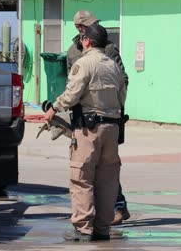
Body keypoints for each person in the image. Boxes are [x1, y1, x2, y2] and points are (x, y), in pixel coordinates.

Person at [44, 24, 127, 242]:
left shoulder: (83, 64)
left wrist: (54, 107)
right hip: (112, 128)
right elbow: (122, 97)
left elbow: (71, 95)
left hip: (89, 129)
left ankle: (83, 228)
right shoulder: (114, 66)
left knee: (82, 178)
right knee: (108, 180)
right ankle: (102, 229)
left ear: (87, 41)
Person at [67, 10, 130, 226]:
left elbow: (123, 80)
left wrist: (113, 108)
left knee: (103, 171)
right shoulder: (72, 52)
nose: (95, 26)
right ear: (79, 29)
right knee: (87, 168)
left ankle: (116, 208)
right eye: (89, 24)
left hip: (106, 117)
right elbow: (70, 84)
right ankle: (95, 216)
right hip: (82, 120)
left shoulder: (108, 49)